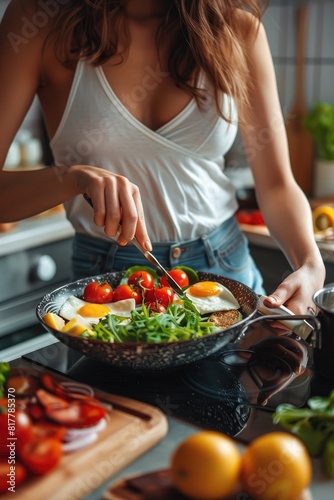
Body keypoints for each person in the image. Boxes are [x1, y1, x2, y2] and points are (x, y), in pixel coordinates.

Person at [0, 0, 325, 316]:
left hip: (224, 271)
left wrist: (310, 263)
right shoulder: (38, 19)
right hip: (108, 286)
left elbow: (277, 184)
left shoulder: (236, 29)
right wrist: (73, 177)